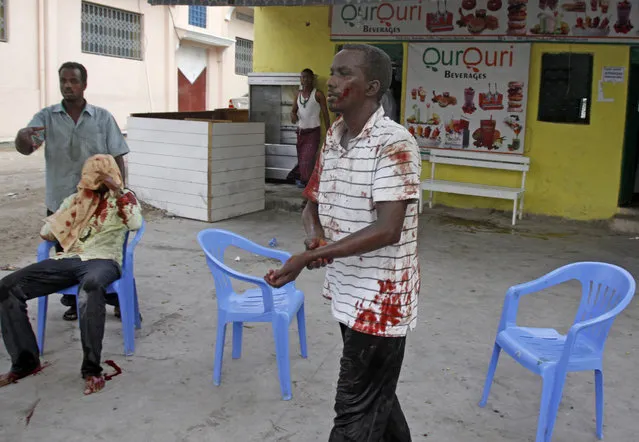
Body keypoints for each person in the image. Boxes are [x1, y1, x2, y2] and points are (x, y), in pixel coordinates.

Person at [265, 44, 421, 441]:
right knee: (377, 400)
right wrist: (314, 235)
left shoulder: (394, 143)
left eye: (343, 74)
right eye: (331, 72)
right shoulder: (334, 137)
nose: (331, 82)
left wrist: (306, 257)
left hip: (381, 301)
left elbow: (388, 229)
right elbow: (310, 203)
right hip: (348, 294)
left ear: (371, 87)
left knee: (352, 413)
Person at [0, 154, 143, 395]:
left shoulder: (123, 198)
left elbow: (135, 222)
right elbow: (47, 233)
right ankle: (25, 361)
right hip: (68, 259)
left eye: (102, 174)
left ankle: (92, 369)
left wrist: (118, 191)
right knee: (7, 286)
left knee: (90, 287)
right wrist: (74, 208)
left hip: (103, 259)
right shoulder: (75, 200)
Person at [14, 61, 130, 322]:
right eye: (64, 81)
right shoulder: (46, 117)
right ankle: (74, 302)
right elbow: (26, 147)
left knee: (105, 254)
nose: (68, 85)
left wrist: (120, 193)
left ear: (84, 84)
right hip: (61, 203)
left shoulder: (101, 117)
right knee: (66, 256)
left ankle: (118, 298)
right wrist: (23, 136)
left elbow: (118, 156)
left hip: (98, 202)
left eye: (73, 81)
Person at [290, 68, 331, 188]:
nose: (305, 80)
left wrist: (329, 131)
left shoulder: (318, 94)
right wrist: (293, 116)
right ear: (300, 80)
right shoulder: (298, 95)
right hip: (301, 132)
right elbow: (293, 111)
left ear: (312, 79)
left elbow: (325, 114)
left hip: (313, 133)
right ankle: (305, 181)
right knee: (302, 158)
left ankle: (307, 182)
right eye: (303, 77)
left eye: (307, 77)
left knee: (308, 157)